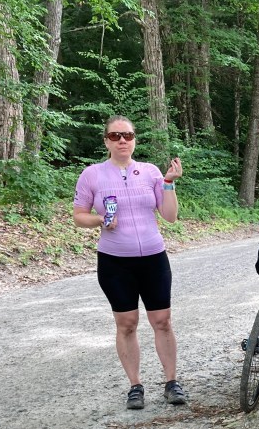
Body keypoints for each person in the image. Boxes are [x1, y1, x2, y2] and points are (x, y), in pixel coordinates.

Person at [72, 116, 186, 410]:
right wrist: (100, 219)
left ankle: (172, 382)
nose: (122, 140)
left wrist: (169, 183)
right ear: (106, 141)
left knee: (162, 321)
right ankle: (135, 386)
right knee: (126, 324)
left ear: (135, 139)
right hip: (115, 262)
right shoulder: (92, 175)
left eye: (128, 135)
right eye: (115, 135)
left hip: (153, 258)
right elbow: (79, 216)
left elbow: (170, 216)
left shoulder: (150, 172)